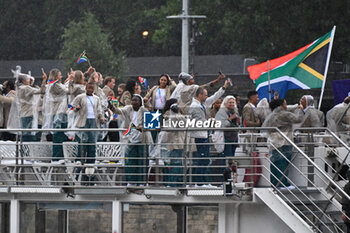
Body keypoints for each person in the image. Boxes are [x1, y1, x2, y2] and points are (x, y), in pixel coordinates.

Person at [189, 81, 229, 185]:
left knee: (205, 159)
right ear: (200, 95)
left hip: (204, 134)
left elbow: (214, 98)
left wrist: (223, 88)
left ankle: (203, 182)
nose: (207, 97)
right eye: (205, 95)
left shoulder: (202, 104)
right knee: (203, 160)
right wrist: (210, 121)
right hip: (199, 135)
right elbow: (198, 121)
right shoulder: (195, 106)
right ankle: (200, 183)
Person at [262, 98, 304, 189]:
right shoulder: (284, 114)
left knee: (275, 164)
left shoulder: (272, 114)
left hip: (274, 141)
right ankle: (282, 184)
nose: (286, 105)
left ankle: (274, 183)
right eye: (285, 104)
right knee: (283, 163)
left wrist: (296, 106)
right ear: (281, 105)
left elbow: (287, 108)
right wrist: (300, 109)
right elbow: (298, 119)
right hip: (284, 141)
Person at [114, 94, 153, 185]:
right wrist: (110, 105)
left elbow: (150, 125)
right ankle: (131, 181)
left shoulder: (145, 110)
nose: (134, 102)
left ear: (140, 102)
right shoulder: (128, 109)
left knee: (142, 161)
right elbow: (118, 111)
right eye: (133, 100)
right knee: (130, 160)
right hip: (131, 137)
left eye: (136, 101)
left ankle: (142, 182)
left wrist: (142, 128)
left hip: (143, 138)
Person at [70, 82, 105, 165]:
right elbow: (71, 106)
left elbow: (99, 109)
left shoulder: (96, 98)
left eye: (92, 88)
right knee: (83, 140)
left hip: (94, 121)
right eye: (88, 88)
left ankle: (91, 160)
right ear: (85, 88)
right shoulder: (80, 97)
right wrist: (76, 108)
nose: (90, 90)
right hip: (83, 121)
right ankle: (80, 159)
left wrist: (101, 117)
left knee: (92, 141)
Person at [42, 69, 70, 161]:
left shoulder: (57, 85)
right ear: (56, 76)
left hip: (62, 114)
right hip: (57, 114)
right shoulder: (53, 86)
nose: (61, 77)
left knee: (64, 138)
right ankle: (57, 159)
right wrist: (70, 81)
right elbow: (67, 91)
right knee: (58, 138)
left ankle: (62, 158)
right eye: (60, 75)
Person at [17, 73, 47, 142]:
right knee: (29, 136)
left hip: (23, 114)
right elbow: (41, 91)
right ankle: (30, 151)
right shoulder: (26, 88)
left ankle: (24, 152)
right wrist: (44, 80)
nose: (29, 81)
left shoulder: (19, 88)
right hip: (29, 114)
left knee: (25, 135)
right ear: (23, 81)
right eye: (28, 79)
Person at [162, 103, 186, 187]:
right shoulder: (179, 117)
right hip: (176, 144)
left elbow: (169, 128)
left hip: (176, 144)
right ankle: (175, 183)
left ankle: (174, 183)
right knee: (177, 164)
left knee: (176, 164)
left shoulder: (174, 118)